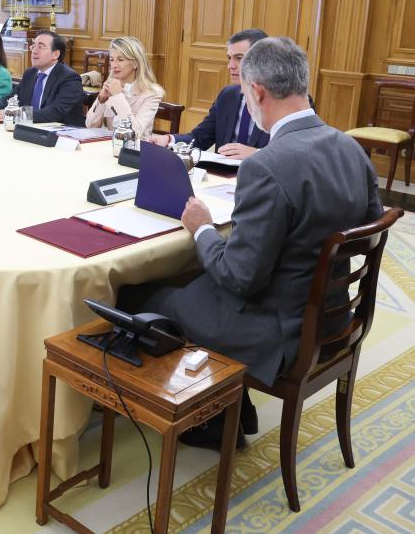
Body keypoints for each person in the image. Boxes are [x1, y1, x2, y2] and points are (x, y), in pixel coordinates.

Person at [117, 37, 383, 447]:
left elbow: (239, 278)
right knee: (191, 283)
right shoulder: (351, 148)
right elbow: (368, 232)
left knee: (140, 295)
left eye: (244, 91)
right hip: (334, 316)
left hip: (277, 331)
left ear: (257, 91)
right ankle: (229, 406)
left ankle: (211, 419)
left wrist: (202, 228)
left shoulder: (266, 165)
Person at [152, 29, 269, 158]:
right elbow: (200, 137)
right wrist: (169, 140)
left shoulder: (278, 100)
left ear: (261, 60)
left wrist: (256, 154)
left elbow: (290, 154)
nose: (230, 66)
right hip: (222, 173)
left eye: (239, 58)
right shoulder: (227, 95)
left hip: (261, 174)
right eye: (229, 58)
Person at [0, 31, 83, 127]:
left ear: (55, 54)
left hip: (64, 134)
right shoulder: (30, 73)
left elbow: (56, 111)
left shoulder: (69, 78)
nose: (34, 51)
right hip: (32, 129)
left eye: (40, 47)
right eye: (33, 46)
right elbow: (13, 96)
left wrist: (17, 114)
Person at [84, 36, 163, 138]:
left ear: (135, 63)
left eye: (120, 60)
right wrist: (101, 100)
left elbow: (134, 133)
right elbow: (90, 125)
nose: (114, 65)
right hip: (108, 147)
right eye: (112, 60)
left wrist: (118, 97)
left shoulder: (151, 94)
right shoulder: (111, 86)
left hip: (136, 150)